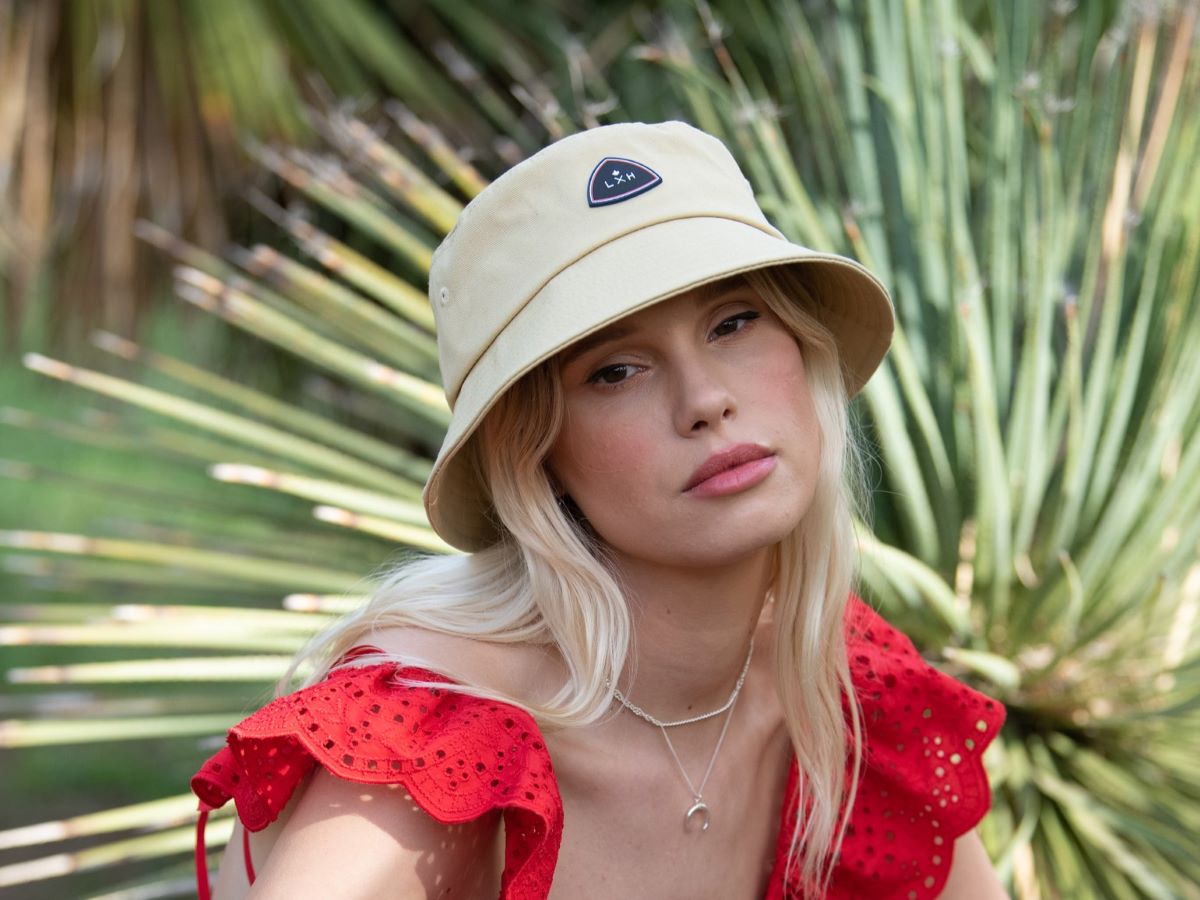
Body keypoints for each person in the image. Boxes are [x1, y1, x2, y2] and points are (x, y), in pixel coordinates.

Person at [191, 120, 1007, 899]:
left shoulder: (845, 693)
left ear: (803, 347)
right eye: (616, 371)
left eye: (734, 322)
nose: (706, 400)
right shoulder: (431, 746)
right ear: (535, 456)